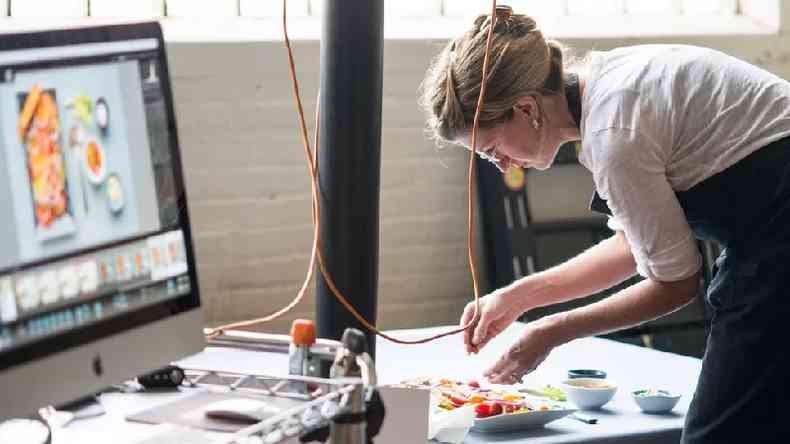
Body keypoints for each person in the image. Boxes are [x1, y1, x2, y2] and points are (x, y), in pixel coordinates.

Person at [419, 6, 790, 443]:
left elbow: (675, 284)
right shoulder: (605, 86)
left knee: (717, 434)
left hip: (777, 240)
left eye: (492, 149)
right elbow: (635, 246)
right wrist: (518, 297)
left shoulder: (613, 133)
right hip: (770, 231)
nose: (500, 166)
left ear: (526, 108)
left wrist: (550, 331)